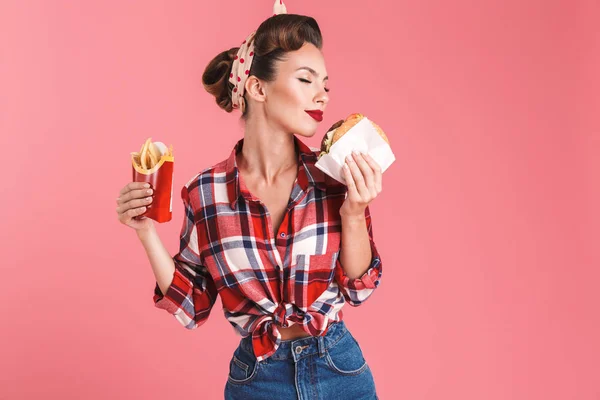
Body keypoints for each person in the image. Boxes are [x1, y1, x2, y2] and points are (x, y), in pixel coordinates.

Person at [116, 1, 383, 398]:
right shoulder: (205, 193)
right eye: (306, 80)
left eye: (325, 84)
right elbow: (193, 304)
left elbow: (358, 288)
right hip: (259, 379)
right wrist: (146, 233)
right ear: (257, 87)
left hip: (339, 369)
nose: (323, 96)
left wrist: (355, 212)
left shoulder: (333, 178)